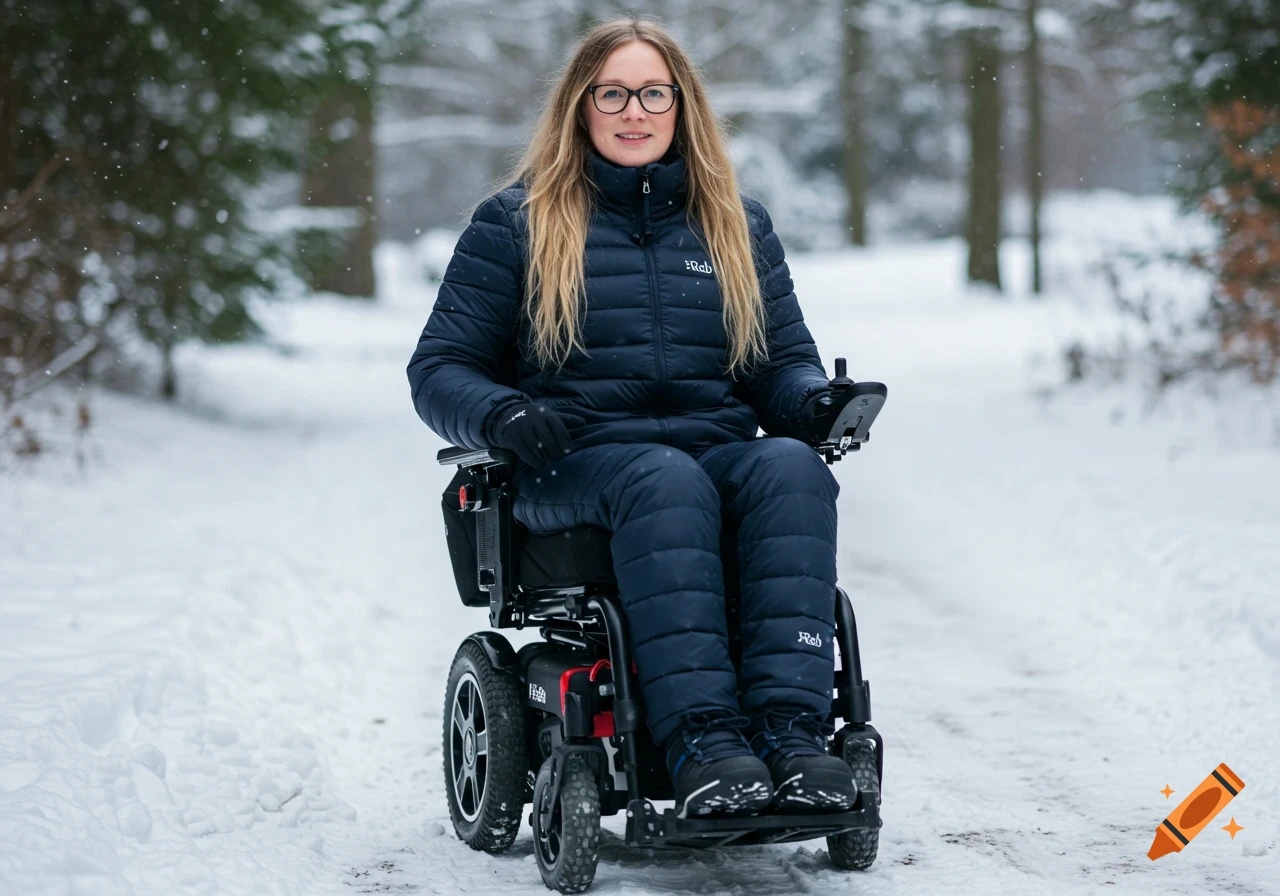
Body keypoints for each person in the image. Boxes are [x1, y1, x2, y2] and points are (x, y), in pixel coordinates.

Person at [408, 17, 856, 818]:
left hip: (710, 458)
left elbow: (776, 365)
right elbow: (438, 370)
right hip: (573, 466)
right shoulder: (515, 224)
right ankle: (702, 742)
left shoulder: (736, 226)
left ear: (681, 106)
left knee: (789, 467)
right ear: (581, 107)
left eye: (653, 93)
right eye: (611, 93)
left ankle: (793, 738)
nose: (634, 111)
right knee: (664, 479)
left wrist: (815, 404)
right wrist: (504, 414)